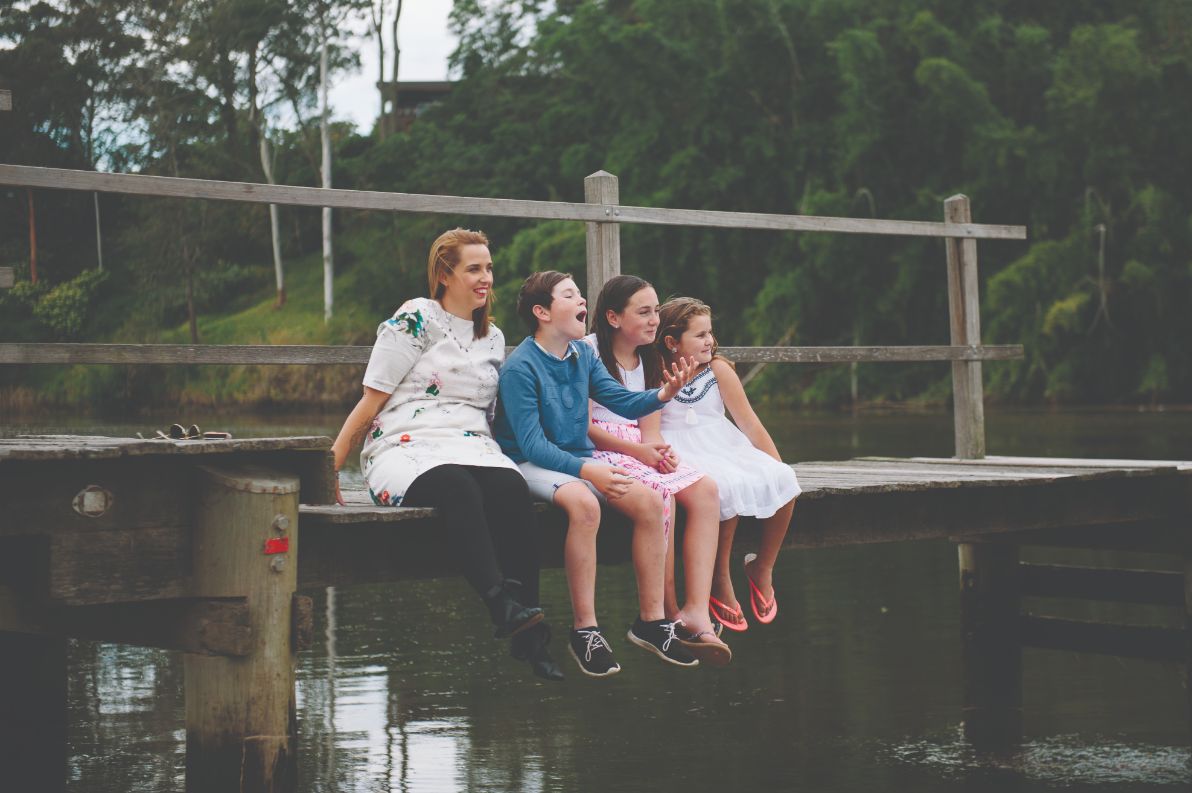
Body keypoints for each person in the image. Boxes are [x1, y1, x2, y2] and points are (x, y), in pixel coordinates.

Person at [330, 229, 562, 681]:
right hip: (404, 442)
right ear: (444, 274)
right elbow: (371, 399)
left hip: (471, 442)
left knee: (511, 487)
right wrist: (331, 464)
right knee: (457, 487)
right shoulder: (416, 318)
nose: (486, 278)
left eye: (489, 268)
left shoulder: (492, 337)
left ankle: (528, 622)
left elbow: (494, 416)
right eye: (474, 269)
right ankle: (500, 605)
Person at [492, 270, 700, 678]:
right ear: (543, 312)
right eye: (570, 295)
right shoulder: (520, 368)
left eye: (581, 295)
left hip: (577, 458)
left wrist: (664, 393)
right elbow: (533, 446)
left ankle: (651, 623)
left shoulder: (582, 355)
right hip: (528, 463)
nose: (581, 301)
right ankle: (585, 630)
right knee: (585, 504)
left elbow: (620, 399)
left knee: (652, 501)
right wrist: (591, 470)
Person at [583, 275, 730, 666]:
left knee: (705, 490)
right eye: (644, 312)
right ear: (614, 317)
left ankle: (695, 609)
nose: (654, 321)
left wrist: (656, 451)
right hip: (599, 448)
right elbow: (579, 425)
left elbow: (649, 423)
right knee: (663, 495)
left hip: (636, 448)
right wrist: (639, 452)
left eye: (655, 312)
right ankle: (663, 616)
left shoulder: (649, 356)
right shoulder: (588, 353)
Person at [656, 297, 801, 632]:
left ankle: (762, 567)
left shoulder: (718, 370)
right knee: (723, 486)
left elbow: (749, 424)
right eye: (700, 334)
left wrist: (775, 467)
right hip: (680, 449)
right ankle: (720, 577)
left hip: (723, 444)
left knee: (785, 480)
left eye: (710, 332)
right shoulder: (654, 372)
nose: (710, 340)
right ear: (671, 342)